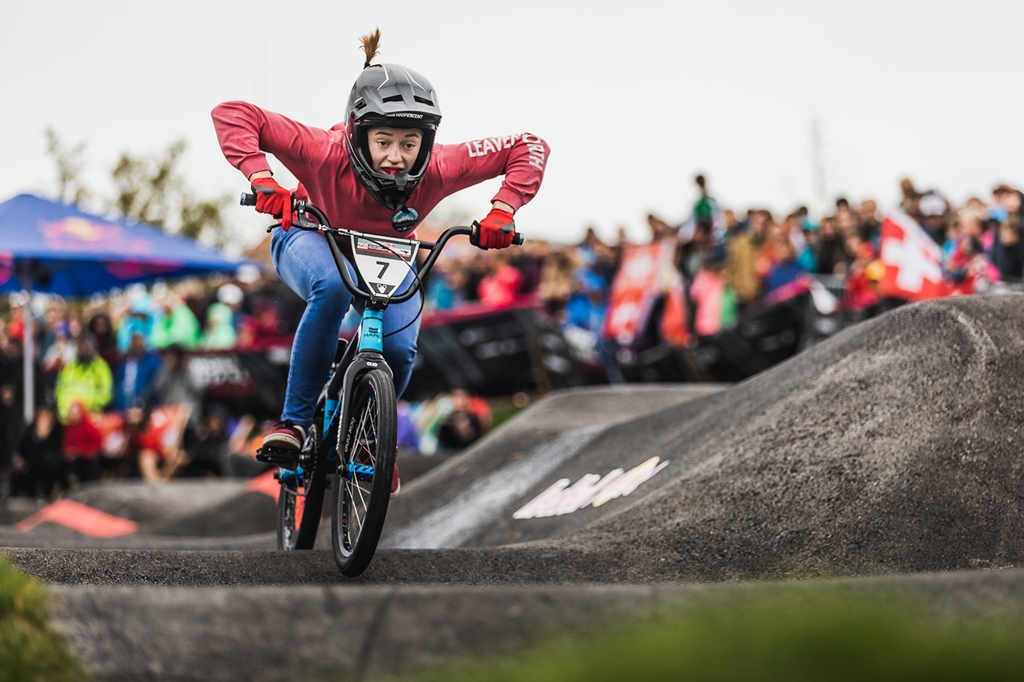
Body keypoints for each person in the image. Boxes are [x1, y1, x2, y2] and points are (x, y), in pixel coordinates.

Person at [211, 29, 548, 495]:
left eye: (409, 143)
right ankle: (293, 423)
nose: (396, 157)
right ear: (358, 133)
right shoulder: (323, 151)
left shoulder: (439, 167)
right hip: (310, 234)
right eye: (384, 141)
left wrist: (504, 208)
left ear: (426, 142)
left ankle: (374, 438)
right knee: (330, 288)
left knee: (399, 351)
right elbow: (233, 113)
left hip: (387, 253)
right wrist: (263, 177)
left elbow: (528, 145)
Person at [54, 335, 113, 423]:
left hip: (91, 420)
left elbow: (105, 395)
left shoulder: (101, 367)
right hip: (69, 420)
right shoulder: (69, 368)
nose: (84, 349)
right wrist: (67, 411)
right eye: (81, 346)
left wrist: (83, 409)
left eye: (86, 346)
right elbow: (59, 391)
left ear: (93, 347)